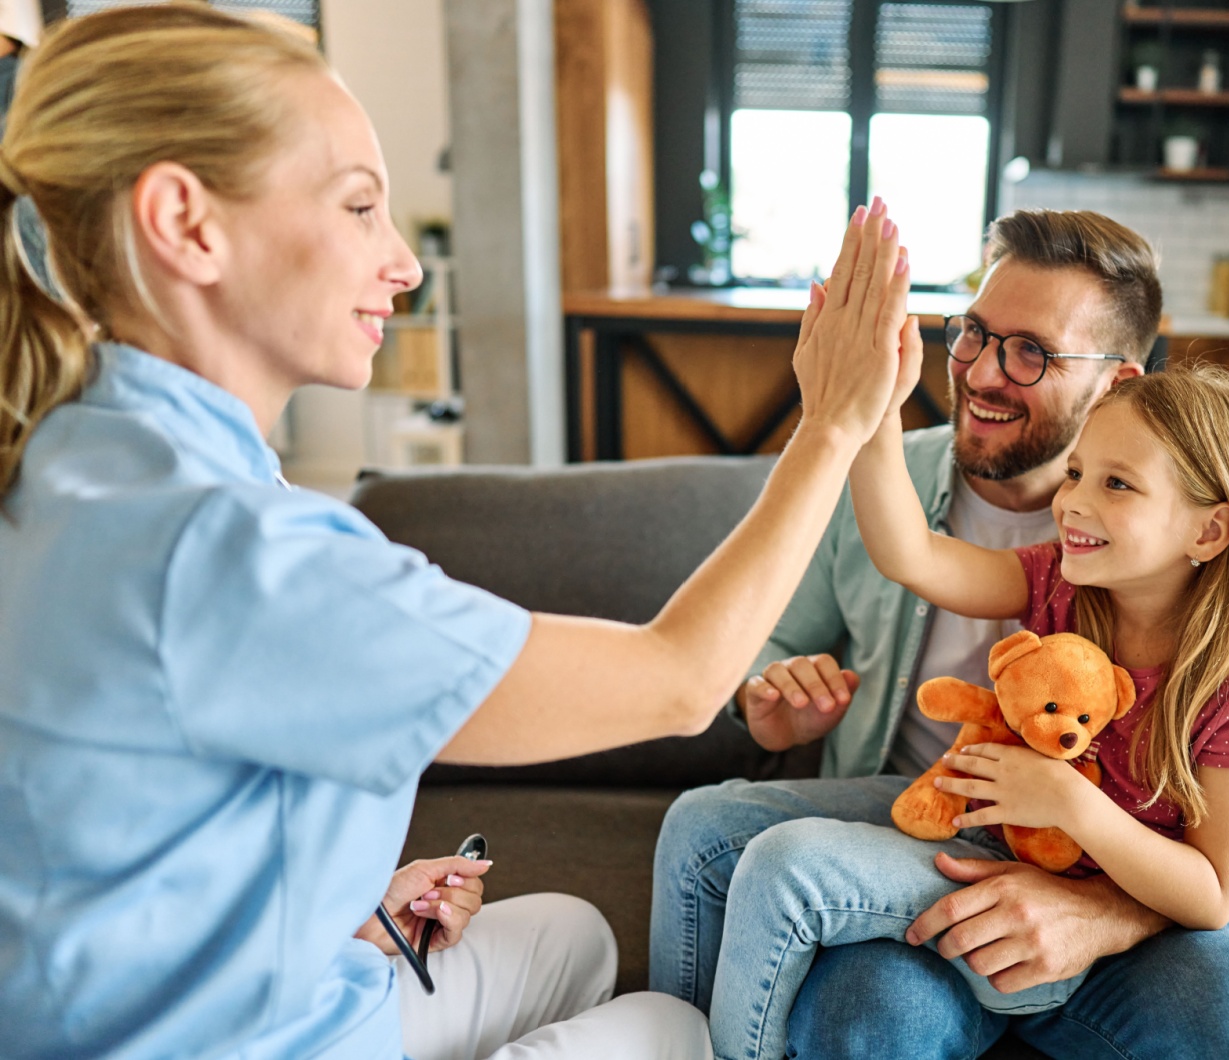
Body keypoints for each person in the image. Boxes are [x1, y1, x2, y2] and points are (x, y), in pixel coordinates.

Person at [0, 7, 916, 1058]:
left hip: (211, 992)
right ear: (188, 224)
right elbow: (678, 677)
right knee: (667, 1026)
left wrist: (336, 904)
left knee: (570, 932)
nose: (405, 264)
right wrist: (833, 424)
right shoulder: (238, 552)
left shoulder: (73, 455)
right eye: (358, 207)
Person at [651, 210, 1229, 1058]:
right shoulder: (1045, 567)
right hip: (937, 829)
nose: (980, 372)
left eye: (1031, 351)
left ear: (1118, 384)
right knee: (862, 1016)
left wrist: (1108, 902)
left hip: (1117, 881)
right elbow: (882, 571)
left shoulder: (1215, 594)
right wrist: (862, 415)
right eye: (973, 334)